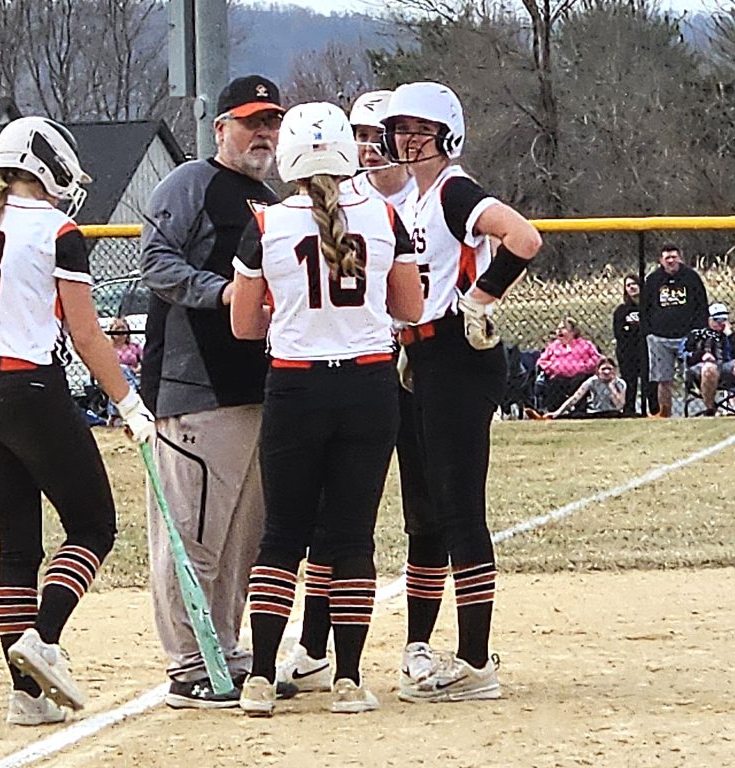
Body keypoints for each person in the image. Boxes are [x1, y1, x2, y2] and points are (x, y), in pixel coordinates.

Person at [0, 116, 155, 726]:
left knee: (16, 545)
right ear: (47, 166)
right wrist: (129, 403)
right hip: (28, 384)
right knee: (92, 524)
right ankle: (43, 638)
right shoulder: (58, 230)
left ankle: (25, 695)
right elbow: (85, 333)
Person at [230, 101, 423, 716]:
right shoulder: (386, 215)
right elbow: (411, 308)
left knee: (281, 536)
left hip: (295, 387)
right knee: (351, 539)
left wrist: (285, 309)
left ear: (289, 153)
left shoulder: (264, 224)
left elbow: (240, 325)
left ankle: (260, 678)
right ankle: (347, 678)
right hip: (367, 386)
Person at [380, 81, 542, 702]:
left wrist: (479, 298)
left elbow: (524, 238)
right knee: (422, 509)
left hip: (457, 353)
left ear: (447, 130)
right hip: (420, 351)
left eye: (420, 128)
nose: (407, 139)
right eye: (401, 128)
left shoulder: (452, 189)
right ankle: (420, 649)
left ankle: (476, 663)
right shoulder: (415, 200)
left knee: (457, 507)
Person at [139, 75, 288, 709]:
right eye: (251, 121)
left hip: (256, 387)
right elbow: (154, 260)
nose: (263, 133)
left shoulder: (271, 199)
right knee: (194, 533)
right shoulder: (190, 183)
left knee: (240, 538)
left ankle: (224, 647)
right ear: (220, 126)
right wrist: (222, 291)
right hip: (195, 386)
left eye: (272, 123)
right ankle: (187, 663)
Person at [641, 244, 708, 418]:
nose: (671, 261)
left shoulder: (691, 277)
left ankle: (708, 410)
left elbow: (702, 307)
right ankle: (665, 415)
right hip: (660, 338)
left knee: (700, 374)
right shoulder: (653, 280)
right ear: (661, 261)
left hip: (688, 338)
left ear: (680, 258)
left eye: (673, 257)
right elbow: (644, 309)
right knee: (664, 380)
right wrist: (649, 333)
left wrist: (697, 333)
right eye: (667, 258)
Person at [683, 302, 735, 415]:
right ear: (709, 319)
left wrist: (729, 334)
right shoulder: (697, 334)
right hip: (702, 369)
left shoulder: (732, 337)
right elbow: (685, 355)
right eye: (717, 319)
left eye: (723, 319)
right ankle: (710, 409)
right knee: (710, 368)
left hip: (726, 368)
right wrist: (702, 355)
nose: (720, 323)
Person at [531, 318, 602, 415]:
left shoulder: (585, 345)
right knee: (556, 383)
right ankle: (556, 410)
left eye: (564, 328)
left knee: (579, 381)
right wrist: (553, 367)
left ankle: (579, 410)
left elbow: (597, 358)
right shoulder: (553, 346)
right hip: (559, 375)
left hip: (580, 375)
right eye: (558, 328)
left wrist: (584, 367)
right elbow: (542, 361)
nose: (559, 331)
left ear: (573, 332)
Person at [612, 275, 658, 416]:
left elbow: (653, 328)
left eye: (634, 284)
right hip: (627, 352)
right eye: (628, 285)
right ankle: (629, 410)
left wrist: (632, 329)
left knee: (649, 382)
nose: (631, 287)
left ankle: (654, 410)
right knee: (629, 382)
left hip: (647, 350)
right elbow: (619, 332)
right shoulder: (621, 310)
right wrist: (634, 330)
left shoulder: (650, 308)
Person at [538, 357, 626, 420]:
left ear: (614, 370)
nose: (607, 372)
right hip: (595, 412)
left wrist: (612, 387)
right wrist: (557, 412)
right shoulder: (592, 381)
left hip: (612, 413)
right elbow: (575, 398)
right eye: (603, 369)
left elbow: (619, 405)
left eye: (609, 369)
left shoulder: (620, 383)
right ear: (598, 371)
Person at [106, 317, 142, 426]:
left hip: (134, 376)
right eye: (117, 329)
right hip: (114, 378)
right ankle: (129, 408)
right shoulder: (108, 348)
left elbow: (144, 362)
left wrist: (137, 369)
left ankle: (115, 414)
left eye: (123, 328)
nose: (120, 332)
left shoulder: (134, 347)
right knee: (122, 370)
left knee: (126, 373)